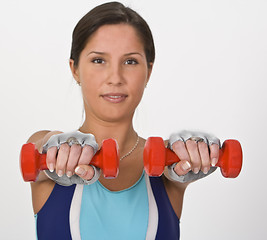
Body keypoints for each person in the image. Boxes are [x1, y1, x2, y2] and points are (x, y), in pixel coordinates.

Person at [26, 2, 220, 239]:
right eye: (98, 60)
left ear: (148, 70)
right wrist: (56, 148)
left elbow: (176, 169)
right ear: (74, 69)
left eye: (130, 61)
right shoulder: (48, 159)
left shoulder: (170, 165)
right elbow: (40, 145)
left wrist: (197, 150)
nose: (115, 77)